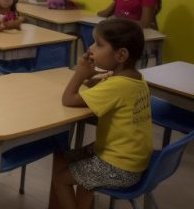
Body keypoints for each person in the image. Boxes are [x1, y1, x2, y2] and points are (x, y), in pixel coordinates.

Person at [49, 19, 152, 209]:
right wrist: (88, 76)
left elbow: (68, 99)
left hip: (119, 165)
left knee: (60, 178)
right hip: (131, 159)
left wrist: (80, 73)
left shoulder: (118, 85)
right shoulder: (135, 78)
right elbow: (96, 86)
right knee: (62, 157)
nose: (91, 48)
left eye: (99, 44)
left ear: (121, 55)